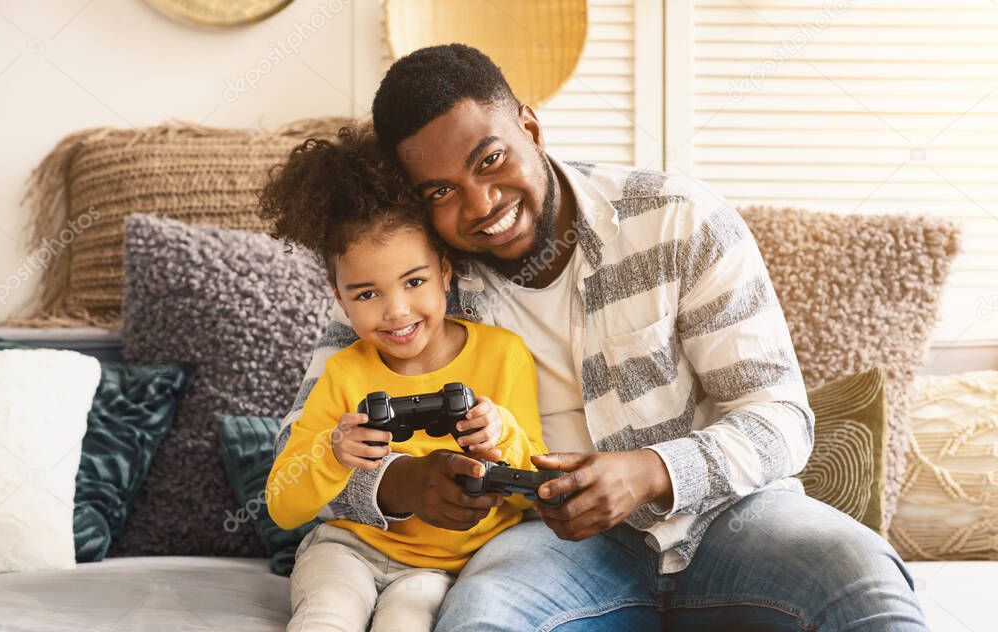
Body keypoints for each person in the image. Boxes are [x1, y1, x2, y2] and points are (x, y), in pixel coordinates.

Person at [276, 44, 928, 630]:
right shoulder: (415, 278)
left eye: (492, 160)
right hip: (551, 546)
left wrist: (650, 471)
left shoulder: (678, 219)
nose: (479, 206)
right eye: (442, 190)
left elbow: (782, 419)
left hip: (729, 519)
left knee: (864, 578)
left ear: (529, 126)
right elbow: (301, 446)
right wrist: (402, 484)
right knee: (479, 620)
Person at [261, 125, 548, 632]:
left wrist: (500, 433)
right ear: (339, 296)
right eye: (366, 294)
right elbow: (282, 506)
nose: (396, 312)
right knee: (326, 615)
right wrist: (331, 450)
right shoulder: (344, 371)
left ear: (444, 272)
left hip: (440, 569)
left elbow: (531, 490)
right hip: (347, 549)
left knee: (406, 622)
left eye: (414, 282)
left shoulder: (503, 355)